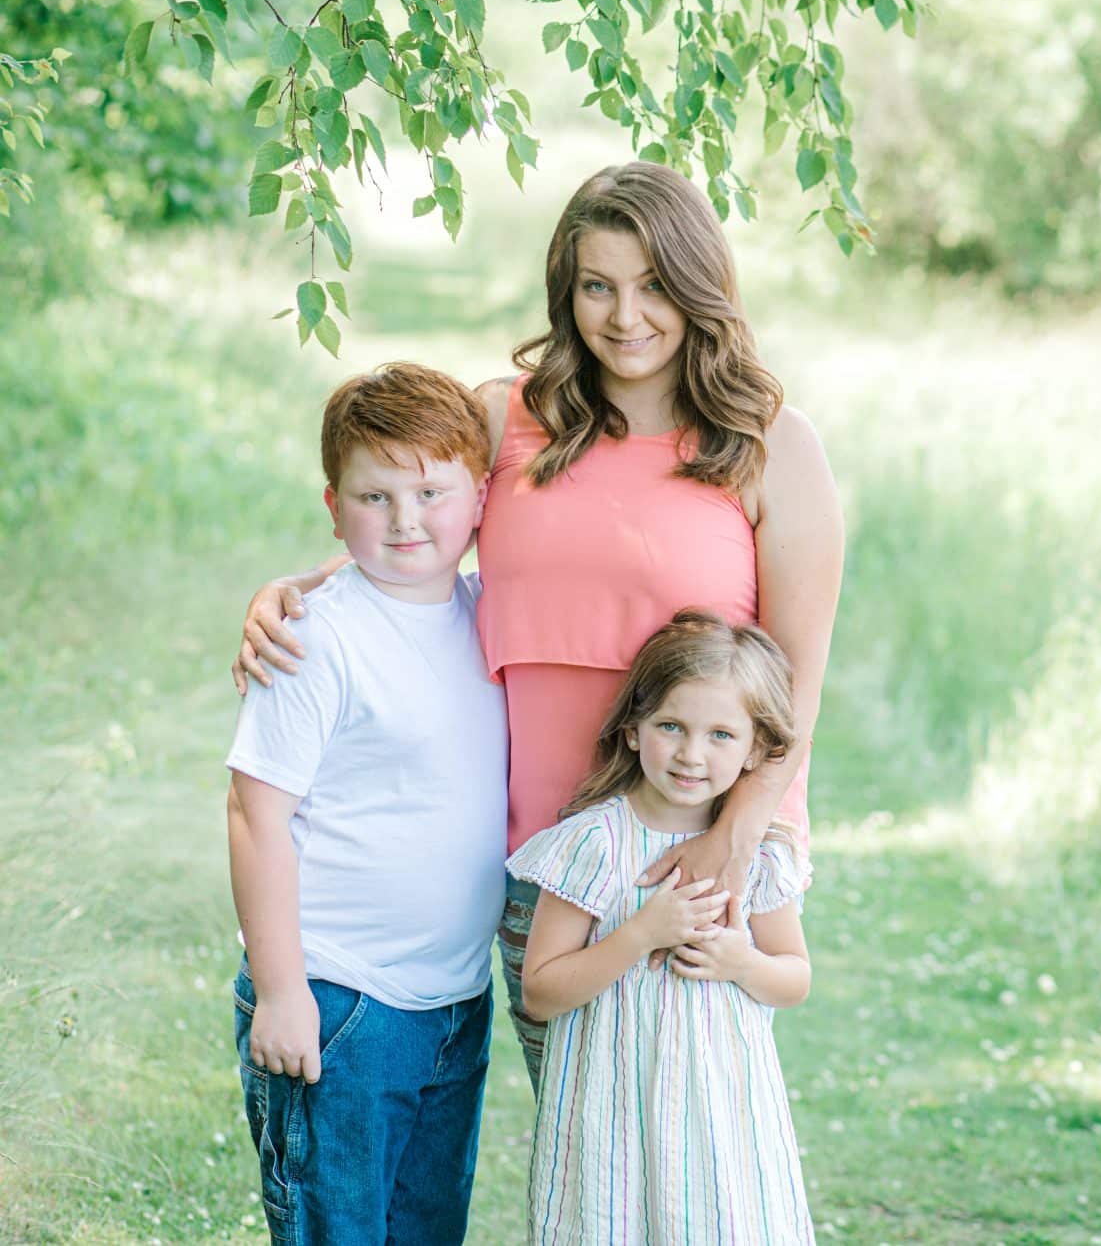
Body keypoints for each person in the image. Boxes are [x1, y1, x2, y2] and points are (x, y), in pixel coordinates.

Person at [232, 162, 844, 1085]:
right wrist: (296, 587)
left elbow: (796, 686)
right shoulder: (507, 418)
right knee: (581, 1141)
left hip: (696, 844)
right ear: (567, 292)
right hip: (547, 855)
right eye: (598, 285)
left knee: (689, 1147)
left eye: (654, 286)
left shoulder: (771, 445)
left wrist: (734, 839)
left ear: (699, 286)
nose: (626, 315)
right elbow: (409, 535)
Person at [225, 363, 506, 1243]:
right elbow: (254, 814)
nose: (406, 519)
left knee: (426, 1227)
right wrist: (280, 991)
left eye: (430, 490)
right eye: (374, 496)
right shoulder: (314, 637)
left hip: (455, 1001)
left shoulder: (486, 615)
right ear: (334, 506)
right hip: (342, 1000)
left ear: (480, 497)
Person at [510, 608, 813, 1242]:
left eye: (721, 736)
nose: (690, 754)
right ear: (632, 730)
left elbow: (794, 978)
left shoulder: (755, 855)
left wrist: (742, 963)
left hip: (724, 1117)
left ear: (758, 747)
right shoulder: (591, 843)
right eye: (670, 726)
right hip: (609, 1114)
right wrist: (639, 934)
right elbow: (539, 993)